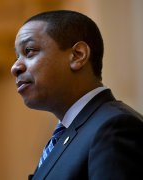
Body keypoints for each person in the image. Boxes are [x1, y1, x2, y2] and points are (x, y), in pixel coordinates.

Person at [11, 10, 143, 180]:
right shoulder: (66, 135)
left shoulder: (114, 128)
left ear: (77, 56)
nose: (15, 67)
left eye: (29, 51)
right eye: (16, 56)